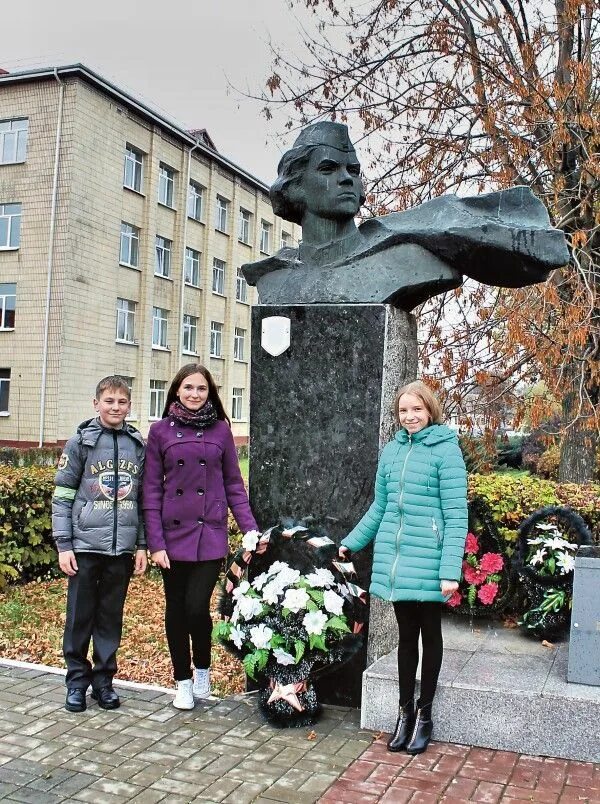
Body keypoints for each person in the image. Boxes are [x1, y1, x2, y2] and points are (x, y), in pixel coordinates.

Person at [339, 381, 467, 754]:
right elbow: (379, 508)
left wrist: (449, 570)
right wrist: (351, 542)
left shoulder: (447, 452)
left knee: (431, 635)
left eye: (417, 410)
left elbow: (457, 515)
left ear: (430, 411)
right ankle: (404, 713)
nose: (410, 417)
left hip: (430, 561)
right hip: (398, 563)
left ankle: (425, 716)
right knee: (406, 639)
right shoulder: (392, 452)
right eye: (403, 411)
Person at [143, 363, 259, 710]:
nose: (195, 394)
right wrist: (155, 543)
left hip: (208, 534)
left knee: (196, 607)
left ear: (210, 393)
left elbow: (233, 485)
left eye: (202, 389)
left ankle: (203, 669)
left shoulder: (221, 430)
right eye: (189, 388)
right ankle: (182, 681)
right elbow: (150, 491)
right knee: (176, 611)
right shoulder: (160, 431)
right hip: (171, 537)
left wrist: (250, 528)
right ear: (176, 390)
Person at [52, 375, 147, 713]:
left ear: (129, 406)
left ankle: (103, 682)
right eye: (109, 401)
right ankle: (76, 682)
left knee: (110, 618)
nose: (115, 407)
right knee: (79, 617)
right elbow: (62, 497)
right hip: (83, 548)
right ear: (96, 404)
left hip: (120, 550)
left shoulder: (138, 446)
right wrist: (64, 544)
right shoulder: (80, 443)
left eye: (122, 402)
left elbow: (143, 500)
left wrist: (141, 545)